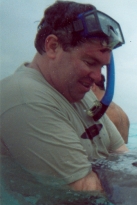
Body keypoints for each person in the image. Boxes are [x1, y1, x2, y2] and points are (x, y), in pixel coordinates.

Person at [0, 1, 127, 194]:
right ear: (52, 46)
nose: (98, 76)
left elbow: (121, 154)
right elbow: (86, 190)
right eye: (89, 62)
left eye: (101, 66)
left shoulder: (76, 93)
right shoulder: (26, 99)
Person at [91, 74, 130, 143]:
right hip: (122, 152)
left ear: (93, 86)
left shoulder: (102, 111)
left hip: (107, 153)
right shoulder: (120, 111)